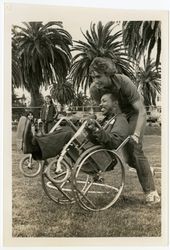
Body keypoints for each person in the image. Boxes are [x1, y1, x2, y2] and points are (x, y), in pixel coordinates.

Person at [89, 56, 160, 205]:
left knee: (135, 149)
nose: (95, 80)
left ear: (109, 74)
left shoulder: (125, 82)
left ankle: (151, 192)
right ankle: (146, 169)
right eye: (93, 77)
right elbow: (105, 110)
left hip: (134, 114)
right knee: (128, 160)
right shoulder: (95, 89)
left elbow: (141, 111)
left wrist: (136, 134)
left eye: (98, 76)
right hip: (117, 115)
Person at [17, 93, 129, 165]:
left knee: (68, 134)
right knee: (66, 129)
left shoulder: (120, 120)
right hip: (91, 151)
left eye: (104, 101)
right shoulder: (107, 119)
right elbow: (96, 134)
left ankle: (34, 145)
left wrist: (96, 130)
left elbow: (114, 142)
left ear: (115, 103)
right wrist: (90, 126)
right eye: (100, 101)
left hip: (101, 158)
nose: (100, 104)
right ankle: (33, 143)